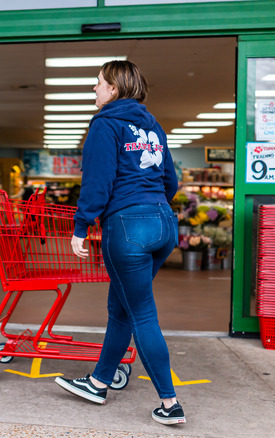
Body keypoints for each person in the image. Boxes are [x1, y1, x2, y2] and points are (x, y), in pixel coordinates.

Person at [53, 61, 184, 426]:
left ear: (113, 88)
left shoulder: (104, 125)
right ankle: (98, 381)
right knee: (123, 306)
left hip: (127, 227)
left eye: (97, 84)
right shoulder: (153, 126)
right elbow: (170, 180)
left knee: (141, 312)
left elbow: (98, 182)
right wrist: (153, 205)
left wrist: (81, 226)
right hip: (163, 224)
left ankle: (170, 403)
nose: (94, 90)